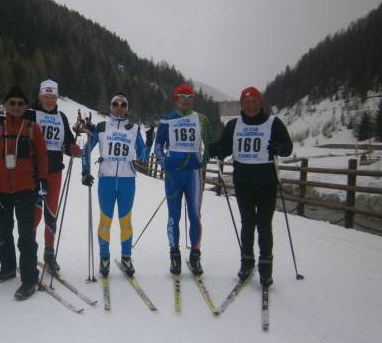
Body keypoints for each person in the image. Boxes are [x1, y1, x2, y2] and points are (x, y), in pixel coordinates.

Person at [210, 86, 293, 287]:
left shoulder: (273, 123)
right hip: (243, 182)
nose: (251, 106)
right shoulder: (234, 125)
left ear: (260, 102)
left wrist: (278, 148)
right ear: (242, 105)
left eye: (254, 102)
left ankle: (266, 269)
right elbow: (224, 148)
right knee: (247, 224)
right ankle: (247, 263)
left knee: (264, 225)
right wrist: (213, 150)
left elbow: (287, 148)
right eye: (247, 103)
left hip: (266, 183)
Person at [0, 86, 49, 300]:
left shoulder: (32, 128)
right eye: (12, 103)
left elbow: (42, 158)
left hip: (25, 189)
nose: (17, 107)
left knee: (26, 235)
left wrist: (42, 183)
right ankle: (8, 267)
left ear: (26, 106)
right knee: (3, 231)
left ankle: (29, 279)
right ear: (5, 105)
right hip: (1, 190)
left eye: (21, 103)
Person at [81, 92, 153, 277]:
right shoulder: (102, 127)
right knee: (105, 221)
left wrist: (150, 142)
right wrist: (85, 171)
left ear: (127, 108)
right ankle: (104, 257)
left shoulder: (134, 129)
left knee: (125, 221)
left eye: (123, 104)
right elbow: (87, 149)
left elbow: (143, 157)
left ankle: (126, 258)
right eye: (115, 104)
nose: (119, 107)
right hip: (106, 179)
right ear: (110, 107)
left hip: (127, 181)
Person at [153, 83, 213, 276]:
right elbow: (158, 146)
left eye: (189, 96)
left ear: (193, 98)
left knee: (195, 216)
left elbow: (209, 145)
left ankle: (195, 256)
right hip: (173, 175)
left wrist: (202, 162)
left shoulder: (201, 119)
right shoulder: (167, 119)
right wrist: (165, 164)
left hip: (193, 175)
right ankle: (175, 254)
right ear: (176, 98)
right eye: (182, 96)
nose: (186, 100)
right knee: (174, 216)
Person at [25, 79, 82, 272]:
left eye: (52, 97)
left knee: (51, 215)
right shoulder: (31, 114)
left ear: (57, 97)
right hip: (34, 173)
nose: (49, 100)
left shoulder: (61, 117)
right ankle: (29, 254)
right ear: (39, 96)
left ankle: (49, 253)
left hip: (55, 173)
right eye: (46, 96)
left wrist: (72, 148)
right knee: (34, 215)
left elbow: (66, 143)